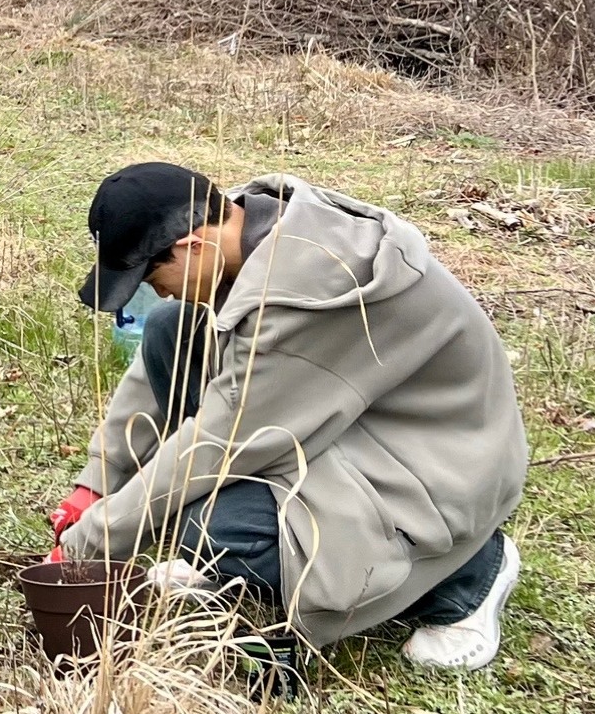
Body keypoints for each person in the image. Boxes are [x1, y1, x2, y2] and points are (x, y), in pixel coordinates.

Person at [49, 162, 527, 669]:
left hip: (441, 467)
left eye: (151, 274)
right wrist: (96, 484)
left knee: (206, 526)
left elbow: (217, 443)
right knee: (173, 327)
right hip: (362, 421)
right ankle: (265, 558)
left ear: (193, 245)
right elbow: (158, 376)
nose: (155, 290)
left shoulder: (309, 294)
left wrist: (91, 543)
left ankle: (470, 573)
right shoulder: (241, 228)